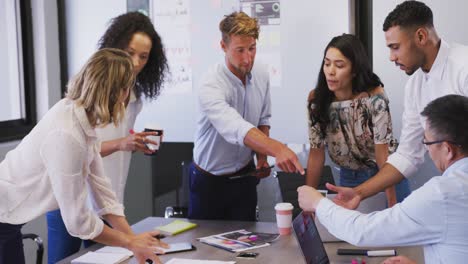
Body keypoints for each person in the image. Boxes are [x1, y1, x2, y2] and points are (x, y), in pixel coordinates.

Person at [0, 48, 168, 264]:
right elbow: (77, 222)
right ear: (119, 92)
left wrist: (133, 239)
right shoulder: (67, 134)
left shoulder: (79, 119)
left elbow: (102, 190)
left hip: (8, 217)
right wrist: (129, 243)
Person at [46, 12, 169, 263]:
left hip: (106, 197)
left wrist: (134, 141)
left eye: (143, 57)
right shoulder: (87, 97)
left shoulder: (132, 97)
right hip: (71, 198)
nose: (135, 62)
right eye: (130, 51)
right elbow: (82, 149)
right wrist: (122, 144)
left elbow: (102, 147)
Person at [327, 0, 468, 209]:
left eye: (395, 47)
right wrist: (359, 192)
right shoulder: (415, 85)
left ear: (421, 36)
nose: (392, 57)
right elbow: (408, 155)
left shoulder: (463, 68)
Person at [298, 94, 468, 264]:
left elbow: (362, 231)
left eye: (427, 143)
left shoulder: (442, 195)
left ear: (447, 149)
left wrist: (318, 203)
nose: (428, 151)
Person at [189, 11, 304, 221]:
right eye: (240, 50)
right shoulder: (210, 84)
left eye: (252, 48)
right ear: (223, 47)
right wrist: (277, 148)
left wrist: (261, 157)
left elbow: (263, 118)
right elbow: (235, 127)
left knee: (247, 246)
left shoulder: (260, 72)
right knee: (205, 248)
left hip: (245, 177)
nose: (247, 58)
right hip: (209, 181)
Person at [306, 34, 410, 207]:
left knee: (398, 227)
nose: (330, 71)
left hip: (384, 174)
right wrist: (308, 198)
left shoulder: (374, 98)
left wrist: (392, 203)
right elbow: (316, 153)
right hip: (349, 175)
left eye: (339, 65)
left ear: (354, 70)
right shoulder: (317, 100)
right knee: (354, 231)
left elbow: (382, 154)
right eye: (327, 63)